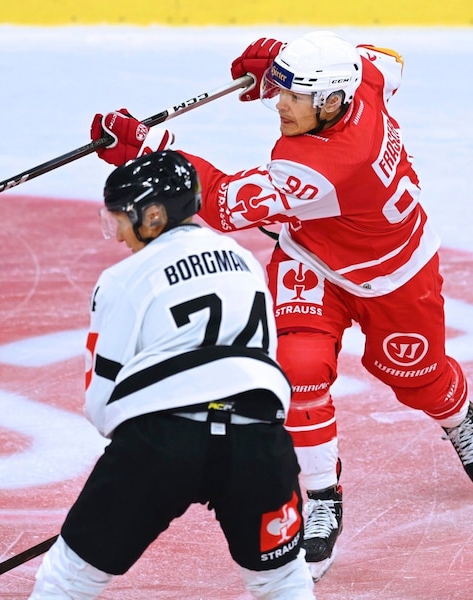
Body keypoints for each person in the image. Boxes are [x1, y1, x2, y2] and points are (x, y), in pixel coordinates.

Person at [89, 30, 473, 582]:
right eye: (282, 91)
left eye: (293, 96)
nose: (279, 104)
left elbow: (229, 204)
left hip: (395, 274)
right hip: (313, 258)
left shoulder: (322, 166)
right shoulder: (363, 76)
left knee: (420, 381)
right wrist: (286, 61)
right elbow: (386, 60)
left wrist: (152, 151)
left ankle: (456, 415)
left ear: (332, 102)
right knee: (298, 371)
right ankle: (322, 495)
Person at [29, 150, 315, 599]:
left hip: (161, 441)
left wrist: (129, 486)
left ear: (154, 215)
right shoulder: (245, 261)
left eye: (122, 218)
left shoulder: (125, 277)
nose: (118, 233)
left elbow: (101, 403)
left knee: (71, 576)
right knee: (280, 579)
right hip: (258, 440)